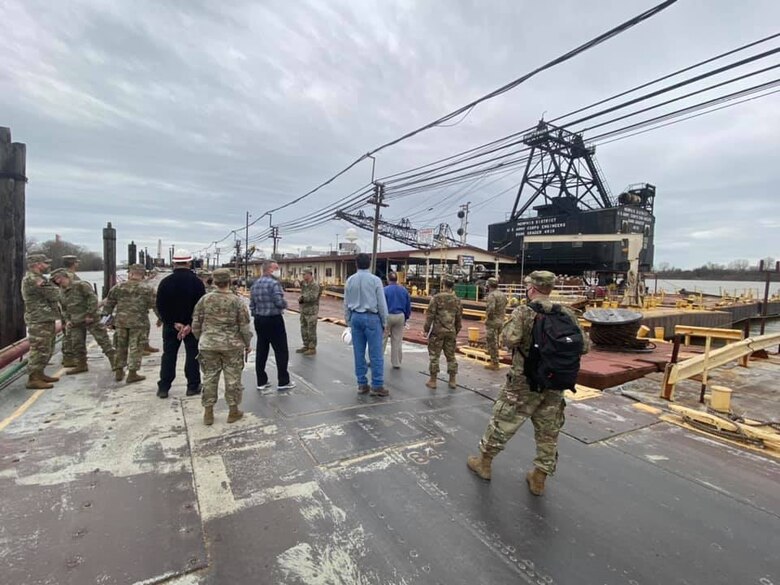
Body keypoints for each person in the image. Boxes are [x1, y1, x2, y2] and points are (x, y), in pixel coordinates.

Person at [467, 270, 589, 496]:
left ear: (531, 288)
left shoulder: (524, 311)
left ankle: (484, 463)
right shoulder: (567, 314)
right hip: (554, 384)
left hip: (523, 383)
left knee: (502, 422)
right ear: (550, 289)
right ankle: (539, 479)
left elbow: (509, 339)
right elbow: (584, 346)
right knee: (548, 433)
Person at [192, 268, 253, 425]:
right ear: (230, 281)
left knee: (210, 377)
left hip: (208, 345)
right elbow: (244, 327)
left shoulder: (204, 300)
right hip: (231, 346)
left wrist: (202, 338)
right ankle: (233, 411)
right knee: (232, 379)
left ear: (214, 281)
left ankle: (208, 413)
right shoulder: (237, 301)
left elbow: (196, 323)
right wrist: (247, 344)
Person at [155, 249, 205, 398]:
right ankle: (192, 386)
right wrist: (190, 324)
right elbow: (200, 306)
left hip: (172, 327)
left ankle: (164, 387)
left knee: (169, 355)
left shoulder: (165, 282)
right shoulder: (197, 283)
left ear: (174, 263)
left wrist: (173, 323)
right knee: (193, 355)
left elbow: (160, 306)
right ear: (189, 262)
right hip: (191, 327)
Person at [50, 268, 116, 374]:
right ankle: (81, 364)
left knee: (103, 340)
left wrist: (90, 314)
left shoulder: (81, 285)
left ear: (65, 276)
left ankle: (115, 362)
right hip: (75, 321)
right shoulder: (61, 291)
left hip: (90, 318)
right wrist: (67, 320)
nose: (57, 281)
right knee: (77, 344)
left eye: (59, 278)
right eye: (55, 279)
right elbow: (64, 308)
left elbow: (92, 299)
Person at [102, 264, 156, 384]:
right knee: (135, 347)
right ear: (143, 275)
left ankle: (119, 371)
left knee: (120, 347)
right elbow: (155, 305)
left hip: (121, 322)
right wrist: (161, 319)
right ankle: (132, 373)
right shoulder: (147, 289)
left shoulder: (118, 287)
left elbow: (108, 305)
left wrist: (107, 321)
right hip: (139, 322)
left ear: (130, 273)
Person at [344, 253, 388, 396]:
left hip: (356, 316)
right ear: (369, 264)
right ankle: (377, 385)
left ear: (356, 264)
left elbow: (346, 303)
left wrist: (348, 321)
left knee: (359, 352)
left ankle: (362, 384)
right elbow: (381, 303)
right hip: (371, 317)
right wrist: (385, 321)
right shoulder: (375, 280)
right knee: (376, 354)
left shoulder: (350, 280)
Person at [250, 260, 295, 390]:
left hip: (259, 319)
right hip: (274, 319)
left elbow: (252, 304)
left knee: (262, 349)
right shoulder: (274, 284)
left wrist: (256, 315)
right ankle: (283, 381)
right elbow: (278, 301)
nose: (278, 270)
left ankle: (261, 381)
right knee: (281, 350)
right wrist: (285, 304)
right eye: (276, 268)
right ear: (269, 269)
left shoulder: (255, 284)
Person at [21, 254, 62, 389]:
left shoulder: (38, 278)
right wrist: (57, 286)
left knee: (47, 347)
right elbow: (54, 295)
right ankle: (33, 378)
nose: (47, 265)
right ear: (37, 264)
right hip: (39, 319)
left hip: (45, 317)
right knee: (40, 348)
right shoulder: (34, 279)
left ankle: (39, 374)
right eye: (45, 263)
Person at [424, 276, 462, 390]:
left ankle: (433, 380)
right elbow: (459, 318)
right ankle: (452, 380)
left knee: (434, 356)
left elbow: (430, 315)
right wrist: (456, 330)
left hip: (438, 332)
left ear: (443, 284)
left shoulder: (436, 298)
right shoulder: (457, 300)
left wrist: (426, 329)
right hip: (451, 331)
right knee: (451, 356)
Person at [383, 272, 411, 369]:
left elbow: (381, 305)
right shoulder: (403, 290)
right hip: (400, 316)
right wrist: (406, 317)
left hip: (388, 315)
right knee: (397, 340)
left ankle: (377, 360)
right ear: (397, 279)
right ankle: (396, 363)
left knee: (382, 339)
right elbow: (408, 305)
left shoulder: (385, 290)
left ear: (388, 279)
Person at [484, 277, 508, 370]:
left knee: (492, 342)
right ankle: (494, 358)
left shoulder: (492, 295)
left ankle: (494, 363)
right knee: (497, 340)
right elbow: (505, 303)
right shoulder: (502, 294)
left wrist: (488, 319)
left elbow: (490, 309)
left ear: (489, 285)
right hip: (501, 320)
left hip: (493, 322)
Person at [296, 267, 321, 356]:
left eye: (304, 274)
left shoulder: (314, 285)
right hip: (304, 310)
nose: (302, 276)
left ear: (309, 274)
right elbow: (299, 286)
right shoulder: (304, 284)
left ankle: (312, 347)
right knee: (304, 329)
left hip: (311, 310)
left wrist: (302, 298)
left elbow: (313, 297)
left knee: (311, 330)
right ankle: (306, 345)